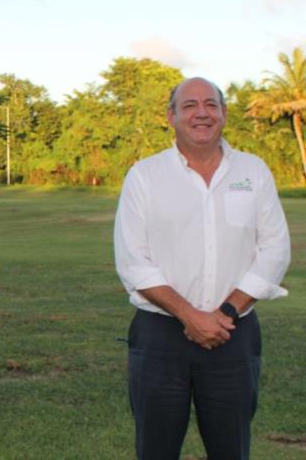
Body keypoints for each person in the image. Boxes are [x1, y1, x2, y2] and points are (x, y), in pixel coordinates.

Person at [114, 77, 290, 459]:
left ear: (224, 114)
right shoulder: (145, 176)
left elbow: (275, 249)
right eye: (189, 105)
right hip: (160, 335)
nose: (201, 113)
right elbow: (133, 260)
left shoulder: (253, 171)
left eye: (211, 104)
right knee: (156, 449)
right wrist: (191, 316)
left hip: (233, 334)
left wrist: (225, 313)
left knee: (231, 450)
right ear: (171, 116)